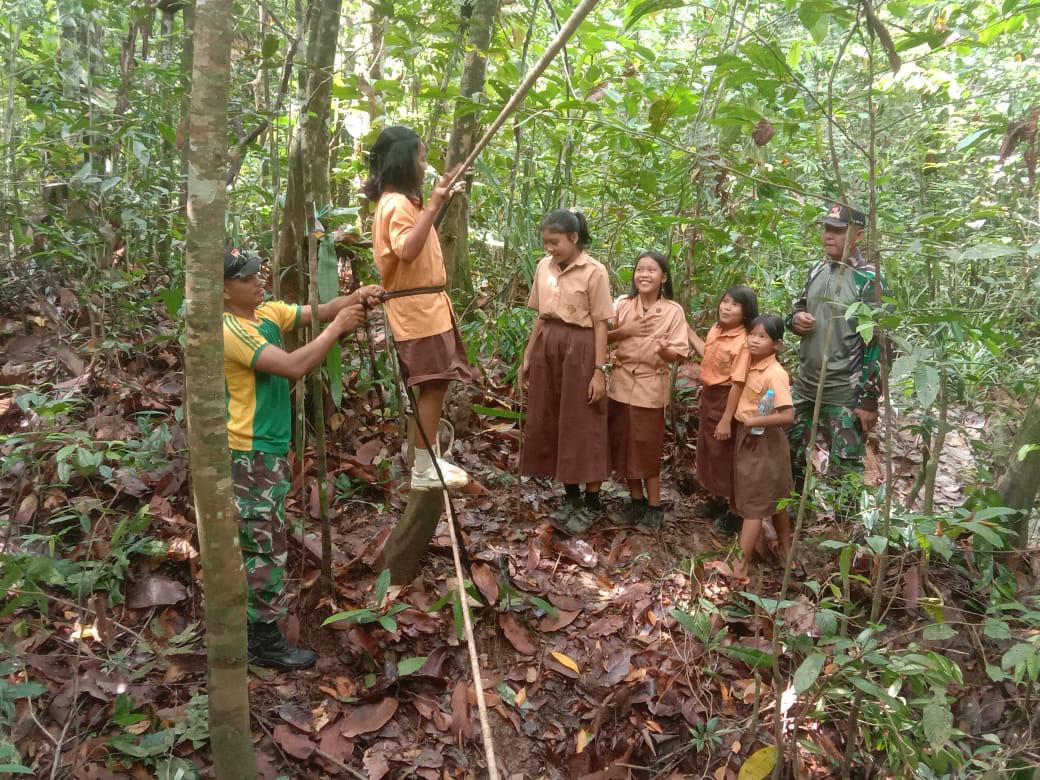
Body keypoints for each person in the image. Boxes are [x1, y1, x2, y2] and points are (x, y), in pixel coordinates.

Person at [222, 247, 382, 670]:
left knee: (270, 537)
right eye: (246, 278)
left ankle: (262, 625)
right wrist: (337, 330)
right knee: (262, 545)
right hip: (249, 450)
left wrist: (355, 298)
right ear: (221, 290)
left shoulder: (267, 313)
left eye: (258, 273)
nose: (258, 281)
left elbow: (323, 309)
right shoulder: (230, 329)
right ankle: (263, 639)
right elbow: (293, 366)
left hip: (271, 448)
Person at [365, 125, 476, 490]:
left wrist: (436, 201)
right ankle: (425, 469)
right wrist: (433, 203)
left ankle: (426, 461)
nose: (424, 165)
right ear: (403, 160)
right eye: (421, 157)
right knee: (432, 384)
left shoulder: (404, 204)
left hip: (427, 306)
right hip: (416, 309)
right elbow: (407, 250)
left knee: (436, 384)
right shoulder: (395, 204)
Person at [787, 203, 886, 509]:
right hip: (805, 383)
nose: (829, 236)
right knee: (787, 446)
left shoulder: (868, 279)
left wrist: (870, 400)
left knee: (845, 467)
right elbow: (799, 305)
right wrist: (796, 319)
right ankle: (793, 511)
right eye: (827, 229)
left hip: (844, 390)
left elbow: (880, 342)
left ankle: (844, 534)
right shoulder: (817, 269)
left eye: (838, 231)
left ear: (857, 235)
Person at [521, 209, 613, 536]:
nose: (549, 248)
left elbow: (602, 323)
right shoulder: (543, 268)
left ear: (574, 238)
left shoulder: (594, 272)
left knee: (583, 422)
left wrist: (599, 371)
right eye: (545, 242)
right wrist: (528, 356)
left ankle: (592, 501)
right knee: (554, 418)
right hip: (550, 345)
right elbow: (542, 316)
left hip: (583, 347)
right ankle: (570, 495)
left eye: (555, 242)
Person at [606, 251, 690, 529]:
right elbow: (602, 338)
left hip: (650, 388)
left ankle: (654, 509)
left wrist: (665, 351)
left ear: (663, 277)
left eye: (651, 270)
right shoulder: (622, 305)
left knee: (646, 449)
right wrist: (625, 331)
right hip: (619, 385)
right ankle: (636, 501)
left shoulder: (673, 311)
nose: (644, 274)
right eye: (639, 269)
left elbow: (679, 352)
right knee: (624, 446)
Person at [688, 286, 758, 535]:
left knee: (727, 455)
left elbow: (738, 383)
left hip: (728, 399)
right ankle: (716, 500)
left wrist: (727, 419)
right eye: (725, 301)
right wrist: (686, 330)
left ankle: (734, 513)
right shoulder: (717, 330)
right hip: (710, 397)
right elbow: (705, 352)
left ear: (746, 312)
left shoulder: (744, 341)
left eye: (735, 304)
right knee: (711, 453)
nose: (727, 307)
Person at [731, 315, 795, 582]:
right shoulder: (753, 364)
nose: (754, 340)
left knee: (755, 505)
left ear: (777, 344)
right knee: (774, 497)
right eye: (752, 334)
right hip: (750, 437)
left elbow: (788, 415)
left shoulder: (775, 373)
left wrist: (756, 420)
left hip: (764, 442)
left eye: (762, 337)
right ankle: (785, 548)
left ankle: (740, 566)